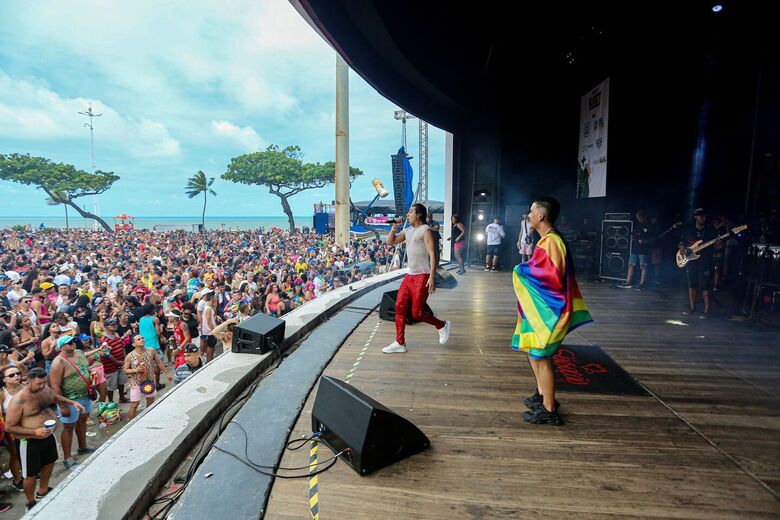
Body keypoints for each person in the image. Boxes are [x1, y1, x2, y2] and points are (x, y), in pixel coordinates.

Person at [512, 197, 592, 426]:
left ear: (541, 216)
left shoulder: (552, 242)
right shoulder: (545, 241)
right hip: (540, 309)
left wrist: (522, 270)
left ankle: (549, 409)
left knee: (541, 356)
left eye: (531, 211)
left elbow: (550, 276)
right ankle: (542, 395)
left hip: (551, 310)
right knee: (531, 350)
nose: (528, 215)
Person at [5, 367, 85, 511]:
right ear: (28, 381)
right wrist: (35, 431)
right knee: (29, 474)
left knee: (49, 463)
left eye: (43, 382)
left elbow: (54, 397)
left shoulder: (44, 389)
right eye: (38, 384)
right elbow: (9, 427)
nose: (42, 386)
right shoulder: (19, 401)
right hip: (29, 441)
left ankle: (43, 490)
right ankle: (30, 502)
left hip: (48, 436)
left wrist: (71, 402)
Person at [383, 203, 451, 354]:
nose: (408, 215)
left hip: (423, 275)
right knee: (399, 307)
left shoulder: (425, 230)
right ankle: (400, 342)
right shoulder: (407, 231)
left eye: (411, 212)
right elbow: (390, 241)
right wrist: (394, 227)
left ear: (419, 215)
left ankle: (442, 325)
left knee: (417, 313)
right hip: (410, 275)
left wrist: (432, 276)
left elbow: (432, 254)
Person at [48, 335, 96, 470]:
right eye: (69, 343)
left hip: (85, 395)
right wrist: (62, 405)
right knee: (68, 428)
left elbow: (86, 366)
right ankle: (67, 457)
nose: (73, 344)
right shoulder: (58, 362)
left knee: (82, 421)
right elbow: (55, 386)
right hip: (70, 400)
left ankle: (82, 446)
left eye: (73, 341)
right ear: (61, 347)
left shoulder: (80, 353)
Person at [123, 335, 172, 421]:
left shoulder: (151, 351)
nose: (142, 339)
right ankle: (130, 425)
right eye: (138, 339)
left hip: (149, 382)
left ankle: (147, 420)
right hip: (136, 383)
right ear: (134, 344)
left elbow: (159, 362)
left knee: (150, 402)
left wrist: (167, 373)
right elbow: (125, 370)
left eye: (142, 338)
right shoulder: (130, 356)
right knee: (134, 404)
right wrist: (136, 370)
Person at [679, 208, 716, 317]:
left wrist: (719, 243)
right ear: (696, 217)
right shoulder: (689, 230)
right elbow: (682, 243)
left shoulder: (710, 230)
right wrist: (682, 248)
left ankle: (707, 310)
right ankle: (692, 308)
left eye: (704, 215)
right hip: (691, 260)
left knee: (705, 285)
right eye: (700, 215)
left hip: (705, 260)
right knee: (692, 284)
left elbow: (717, 245)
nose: (703, 217)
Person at [619, 210, 654, 290]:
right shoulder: (637, 225)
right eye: (637, 218)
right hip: (635, 248)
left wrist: (645, 241)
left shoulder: (650, 226)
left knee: (643, 266)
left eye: (640, 217)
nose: (639, 219)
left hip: (644, 249)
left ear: (644, 217)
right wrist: (633, 237)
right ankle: (628, 282)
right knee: (630, 264)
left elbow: (654, 238)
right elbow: (634, 234)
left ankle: (642, 284)